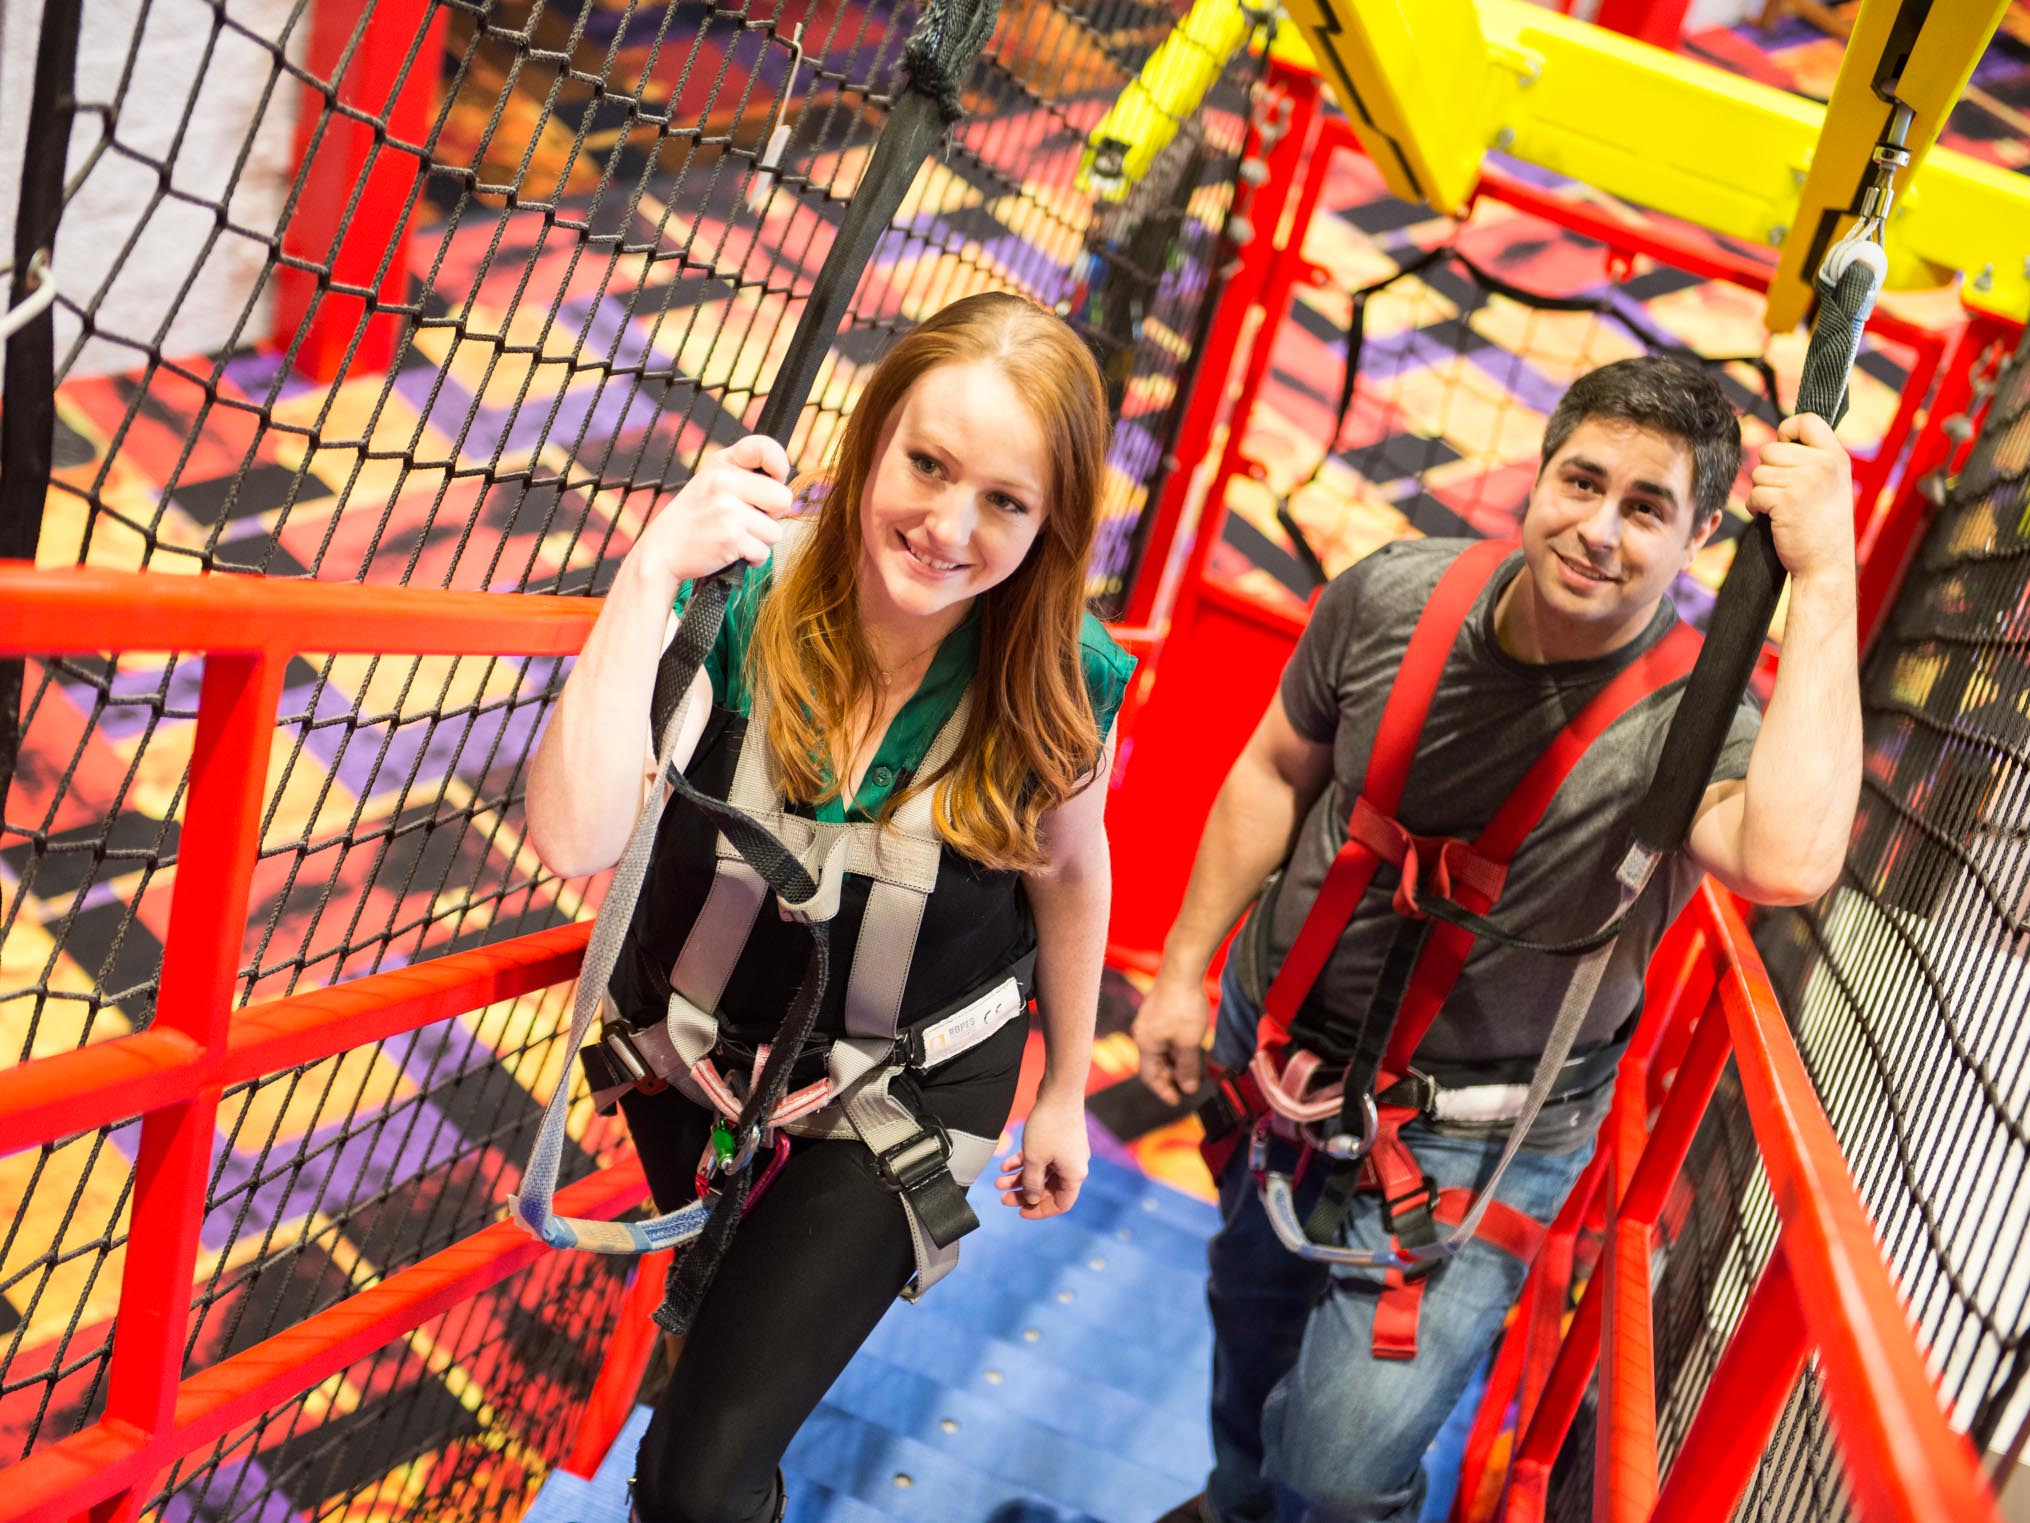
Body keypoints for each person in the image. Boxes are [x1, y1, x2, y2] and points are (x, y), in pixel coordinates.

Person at [1131, 356, 1861, 1523]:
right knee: (1248, 1311)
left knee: (1338, 1456)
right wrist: (1179, 970)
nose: (1596, 529)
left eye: (1644, 507)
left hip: (1478, 1134)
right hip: (1275, 1054)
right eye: (1581, 481)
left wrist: (1824, 576)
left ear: (1699, 536)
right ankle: (1227, 1504)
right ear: (1537, 472)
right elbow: (1275, 768)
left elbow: (1786, 858)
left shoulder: (1695, 722)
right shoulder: (1390, 598)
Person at [524, 291, 1133, 1523]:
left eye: (1005, 503)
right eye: (927, 464)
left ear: (1050, 523)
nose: (947, 527)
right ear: (872, 439)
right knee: (708, 1380)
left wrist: (1065, 1084)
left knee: (695, 1477)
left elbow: (1069, 869)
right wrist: (648, 573)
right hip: (693, 1050)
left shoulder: (1063, 677)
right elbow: (572, 834)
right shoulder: (743, 594)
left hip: (902, 1090)